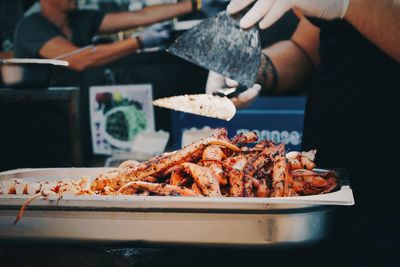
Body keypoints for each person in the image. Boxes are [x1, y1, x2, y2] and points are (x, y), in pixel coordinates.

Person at [207, 1, 400, 266]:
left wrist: (349, 4)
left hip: (389, 202)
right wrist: (251, 66)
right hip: (323, 190)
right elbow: (305, 52)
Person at [13, 0, 219, 85]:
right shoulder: (32, 26)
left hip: (76, 100)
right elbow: (79, 59)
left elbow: (139, 17)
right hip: (39, 110)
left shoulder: (80, 19)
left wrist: (196, 3)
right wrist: (138, 42)